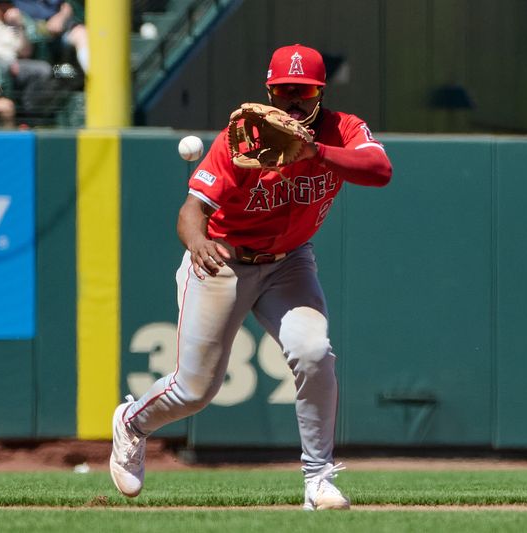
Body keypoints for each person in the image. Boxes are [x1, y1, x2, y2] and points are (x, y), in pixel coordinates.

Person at [109, 44, 392, 511]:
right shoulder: (241, 139)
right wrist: (197, 242)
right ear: (269, 91)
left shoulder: (342, 129)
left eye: (304, 91)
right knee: (195, 391)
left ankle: (318, 479)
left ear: (320, 92)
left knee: (314, 352)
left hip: (290, 261)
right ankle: (133, 423)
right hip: (224, 262)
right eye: (285, 91)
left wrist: (315, 150)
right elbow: (191, 211)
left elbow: (380, 171)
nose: (294, 101)